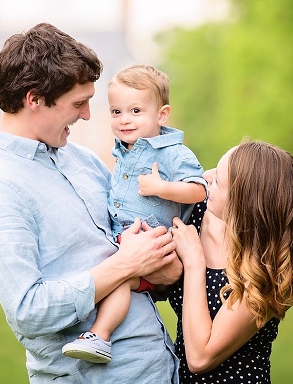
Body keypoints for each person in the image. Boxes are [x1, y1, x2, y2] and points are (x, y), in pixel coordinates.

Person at [0, 23, 181, 383]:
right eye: (78, 103)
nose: (88, 115)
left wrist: (161, 271)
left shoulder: (83, 160)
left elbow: (133, 251)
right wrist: (126, 265)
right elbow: (28, 311)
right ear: (34, 99)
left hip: (159, 368)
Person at [62, 64, 208, 363]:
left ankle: (99, 336)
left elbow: (198, 190)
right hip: (127, 240)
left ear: (162, 115)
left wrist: (161, 187)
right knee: (113, 277)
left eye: (136, 111)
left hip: (152, 243)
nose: (124, 119)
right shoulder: (125, 149)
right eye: (116, 112)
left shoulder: (173, 153)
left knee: (120, 279)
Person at [168, 140, 293, 383]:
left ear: (243, 205)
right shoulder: (197, 216)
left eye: (218, 180)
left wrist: (194, 261)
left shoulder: (268, 271)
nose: (206, 177)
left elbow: (200, 358)